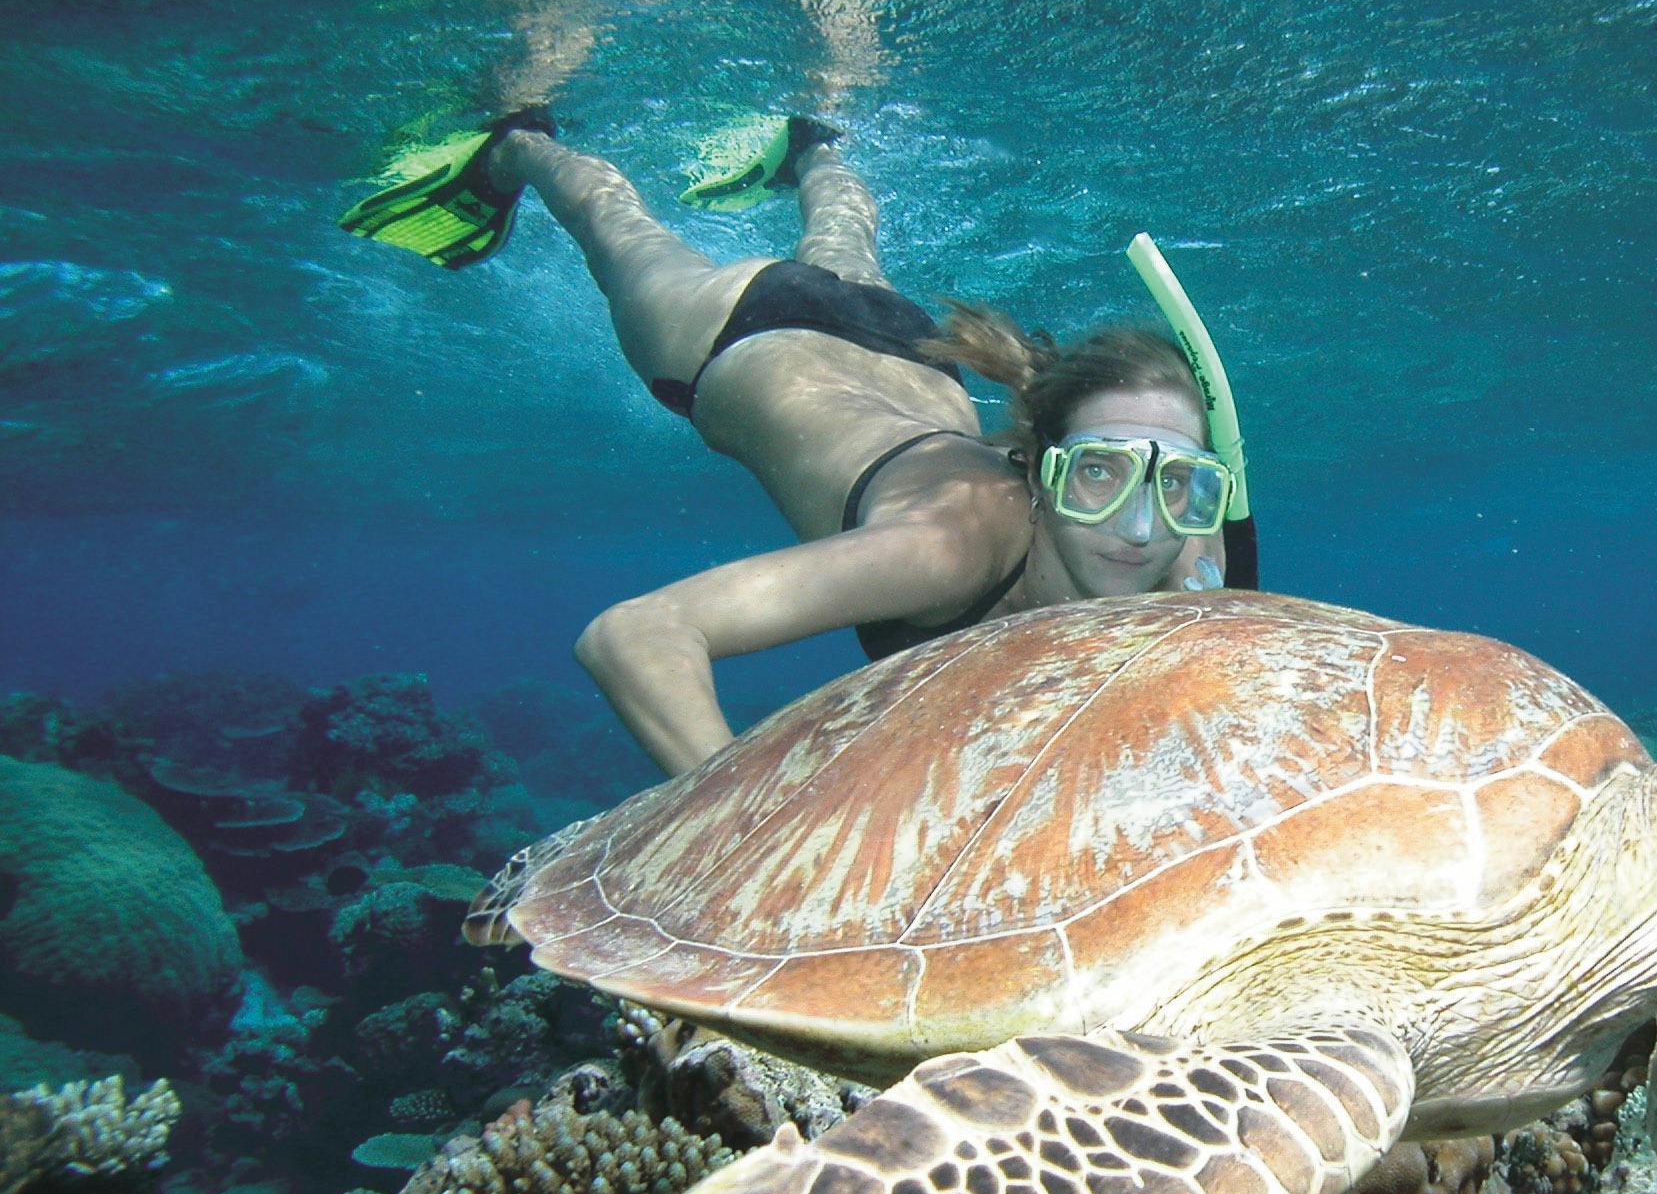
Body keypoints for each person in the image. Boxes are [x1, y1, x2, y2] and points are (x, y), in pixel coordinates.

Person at [340, 109, 1249, 776]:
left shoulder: (1184, 547)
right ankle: (520, 142)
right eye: (1099, 474)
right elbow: (635, 635)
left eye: (1179, 487)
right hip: (738, 335)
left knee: (846, 228)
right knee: (613, 227)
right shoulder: (946, 549)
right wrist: (738, 825)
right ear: (1037, 471)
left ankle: (812, 144)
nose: (1139, 527)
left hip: (902, 345)